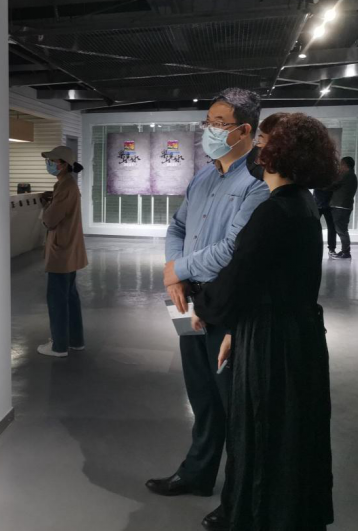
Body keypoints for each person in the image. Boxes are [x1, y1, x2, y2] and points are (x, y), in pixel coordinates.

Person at [193, 113, 337, 531]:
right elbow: (268, 279)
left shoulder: (274, 211)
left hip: (272, 344)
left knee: (262, 432)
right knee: (291, 436)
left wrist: (202, 306)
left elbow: (238, 278)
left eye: (264, 141)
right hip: (296, 336)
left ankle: (260, 516)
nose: (257, 148)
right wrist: (236, 331)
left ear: (281, 152)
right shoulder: (301, 203)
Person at [149, 89, 269, 508]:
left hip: (224, 306)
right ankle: (197, 473)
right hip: (186, 302)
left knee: (232, 401)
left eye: (219, 123)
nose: (210, 130)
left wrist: (178, 269)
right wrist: (175, 274)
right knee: (201, 395)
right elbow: (177, 227)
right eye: (209, 122)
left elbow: (233, 249)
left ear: (244, 130)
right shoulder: (202, 177)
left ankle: (239, 496)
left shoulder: (257, 184)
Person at [37, 146, 88, 358]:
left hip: (62, 251)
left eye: (52, 161)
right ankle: (75, 341)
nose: (48, 164)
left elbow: (50, 220)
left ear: (64, 164)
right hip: (69, 249)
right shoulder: (68, 184)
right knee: (70, 297)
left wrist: (45, 209)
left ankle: (59, 346)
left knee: (57, 299)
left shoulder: (65, 186)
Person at [327, 156, 358, 259]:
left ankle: (346, 252)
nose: (339, 167)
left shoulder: (346, 175)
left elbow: (333, 185)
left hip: (341, 207)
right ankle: (345, 251)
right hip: (344, 206)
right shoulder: (352, 176)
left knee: (341, 231)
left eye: (341, 165)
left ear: (345, 165)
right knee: (342, 230)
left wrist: (321, 185)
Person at [314, 187, 336, 255]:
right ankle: (331, 249)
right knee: (315, 227)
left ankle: (331, 249)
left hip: (326, 205)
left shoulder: (330, 182)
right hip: (321, 205)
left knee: (331, 228)